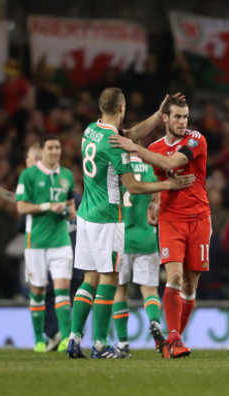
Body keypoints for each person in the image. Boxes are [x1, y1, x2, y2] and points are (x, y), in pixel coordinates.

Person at [67, 88, 194, 359]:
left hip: (86, 214)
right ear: (122, 107)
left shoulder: (91, 130)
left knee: (88, 278)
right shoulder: (114, 145)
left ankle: (74, 338)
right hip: (107, 218)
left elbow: (131, 135)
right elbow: (133, 187)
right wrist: (168, 184)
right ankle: (100, 344)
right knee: (110, 278)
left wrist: (158, 116)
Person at [110, 96, 210, 358]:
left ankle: (176, 335)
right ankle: (175, 340)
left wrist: (133, 147)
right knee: (174, 277)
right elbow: (158, 178)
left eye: (185, 116)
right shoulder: (154, 146)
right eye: (177, 116)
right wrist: (155, 203)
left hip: (199, 218)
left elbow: (169, 164)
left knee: (190, 284)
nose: (182, 121)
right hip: (171, 220)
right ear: (165, 118)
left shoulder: (196, 139)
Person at [15, 136, 76, 353]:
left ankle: (66, 338)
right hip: (36, 242)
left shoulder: (67, 175)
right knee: (38, 290)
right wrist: (48, 206)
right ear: (42, 151)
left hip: (60, 241)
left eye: (57, 147)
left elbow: (71, 208)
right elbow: (21, 207)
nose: (54, 151)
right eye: (50, 147)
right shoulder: (29, 175)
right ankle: (38, 339)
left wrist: (68, 213)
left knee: (62, 289)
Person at [112, 152, 166, 358]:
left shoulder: (117, 171)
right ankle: (154, 322)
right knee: (150, 290)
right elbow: (157, 202)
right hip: (146, 238)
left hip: (121, 238)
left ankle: (123, 343)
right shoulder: (151, 171)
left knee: (119, 290)